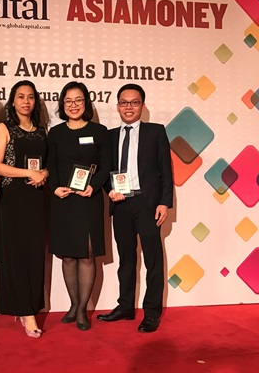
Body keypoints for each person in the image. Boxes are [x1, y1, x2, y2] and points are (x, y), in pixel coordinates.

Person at [97, 83, 173, 333]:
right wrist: (109, 190)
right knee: (126, 259)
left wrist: (164, 202)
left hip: (148, 204)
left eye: (134, 102)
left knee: (153, 259)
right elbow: (104, 171)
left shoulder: (155, 132)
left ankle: (152, 312)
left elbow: (165, 170)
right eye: (124, 102)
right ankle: (125, 306)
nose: (129, 107)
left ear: (142, 105)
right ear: (117, 106)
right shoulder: (109, 136)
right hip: (121, 204)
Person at [46, 81, 111, 331]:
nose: (73, 105)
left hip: (88, 199)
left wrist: (93, 186)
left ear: (86, 103)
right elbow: (50, 165)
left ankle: (82, 308)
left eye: (78, 100)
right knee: (68, 256)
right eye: (68, 101)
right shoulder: (56, 133)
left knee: (87, 255)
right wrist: (54, 187)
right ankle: (73, 304)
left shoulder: (99, 131)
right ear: (62, 104)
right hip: (63, 200)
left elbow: (106, 165)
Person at [0, 80, 48, 339]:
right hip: (13, 198)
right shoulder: (4, 128)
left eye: (30, 97)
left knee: (34, 254)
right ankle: (26, 312)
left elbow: (46, 165)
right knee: (16, 254)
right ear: (12, 101)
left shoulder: (41, 131)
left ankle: (29, 306)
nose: (26, 101)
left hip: (36, 198)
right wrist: (29, 173)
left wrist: (44, 173)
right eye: (21, 96)